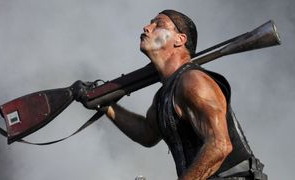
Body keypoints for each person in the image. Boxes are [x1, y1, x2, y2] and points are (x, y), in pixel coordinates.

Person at [105, 10, 267, 180]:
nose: (147, 28)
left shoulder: (193, 81)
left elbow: (220, 145)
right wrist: (106, 105)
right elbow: (147, 133)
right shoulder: (163, 96)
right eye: (150, 23)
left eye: (158, 24)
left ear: (180, 39)